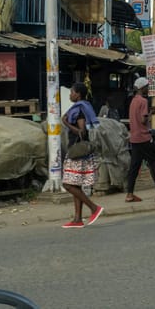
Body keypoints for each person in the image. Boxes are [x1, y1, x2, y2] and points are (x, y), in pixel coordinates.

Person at [61, 82, 104, 229]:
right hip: (80, 150)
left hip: (77, 151)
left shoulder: (78, 109)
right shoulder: (84, 106)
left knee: (67, 184)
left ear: (78, 94)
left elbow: (81, 131)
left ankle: (93, 207)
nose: (70, 95)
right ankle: (77, 219)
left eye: (72, 92)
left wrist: (65, 122)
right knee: (75, 184)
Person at [125, 77, 155, 203]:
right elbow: (143, 120)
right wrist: (150, 113)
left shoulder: (134, 101)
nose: (148, 89)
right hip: (144, 137)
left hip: (134, 137)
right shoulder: (143, 101)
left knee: (134, 167)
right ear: (142, 88)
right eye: (147, 86)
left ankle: (129, 194)